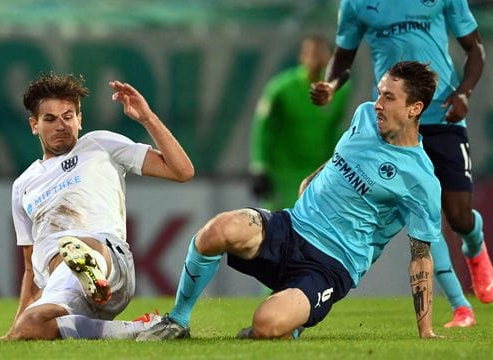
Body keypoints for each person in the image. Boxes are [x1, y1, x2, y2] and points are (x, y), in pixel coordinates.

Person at [138, 61, 442, 341]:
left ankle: (287, 322)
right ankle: (177, 321)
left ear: (414, 108)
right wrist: (314, 177)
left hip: (330, 265)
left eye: (389, 97)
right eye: (379, 94)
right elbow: (345, 155)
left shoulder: (420, 178)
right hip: (292, 226)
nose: (377, 104)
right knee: (218, 230)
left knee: (267, 324)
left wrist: (425, 330)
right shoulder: (364, 116)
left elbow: (421, 256)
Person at [309, 0, 493, 327]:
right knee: (421, 215)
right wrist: (331, 85)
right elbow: (343, 56)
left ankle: (475, 245)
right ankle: (459, 306)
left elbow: (476, 50)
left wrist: (464, 93)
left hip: (443, 115)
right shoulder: (355, 4)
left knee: (458, 215)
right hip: (392, 124)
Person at [0, 73, 194, 340]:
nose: (61, 125)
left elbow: (182, 171)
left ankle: (88, 266)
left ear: (80, 120)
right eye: (50, 119)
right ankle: (146, 327)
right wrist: (14, 331)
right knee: (31, 328)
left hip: (110, 259)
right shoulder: (23, 186)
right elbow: (31, 269)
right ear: (34, 124)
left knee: (78, 245)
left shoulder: (100, 144)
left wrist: (147, 117)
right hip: (58, 284)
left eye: (68, 116)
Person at [250, 35, 350, 210]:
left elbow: (336, 130)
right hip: (283, 174)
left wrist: (340, 167)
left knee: (316, 227)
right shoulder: (280, 88)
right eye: (309, 52)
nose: (314, 57)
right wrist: (259, 166)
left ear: (329, 57)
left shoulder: (339, 91)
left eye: (319, 52)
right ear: (301, 56)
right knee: (280, 227)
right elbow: (263, 130)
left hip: (319, 173)